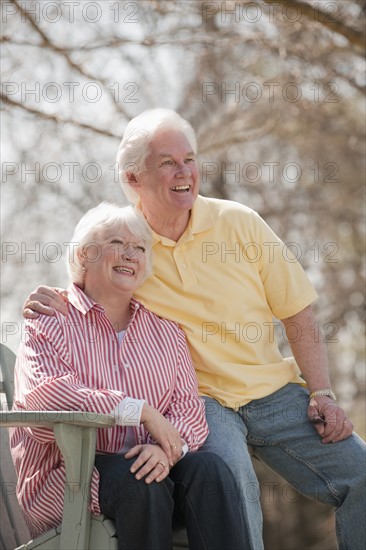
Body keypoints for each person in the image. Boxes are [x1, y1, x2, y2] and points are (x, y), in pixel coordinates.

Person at [23, 109, 366, 550]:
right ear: (133, 179)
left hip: (273, 390)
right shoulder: (129, 240)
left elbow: (297, 313)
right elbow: (92, 282)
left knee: (360, 474)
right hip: (204, 403)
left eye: (189, 159)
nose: (184, 172)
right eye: (167, 162)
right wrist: (47, 296)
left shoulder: (240, 223)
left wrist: (322, 393)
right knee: (232, 488)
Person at [12, 202, 250, 550]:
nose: (131, 254)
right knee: (140, 482)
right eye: (116, 243)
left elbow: (189, 410)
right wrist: (136, 409)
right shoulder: (49, 319)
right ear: (83, 255)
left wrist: (166, 451)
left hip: (151, 474)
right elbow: (45, 397)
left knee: (210, 470)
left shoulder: (166, 332)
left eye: (139, 247)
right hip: (71, 480)